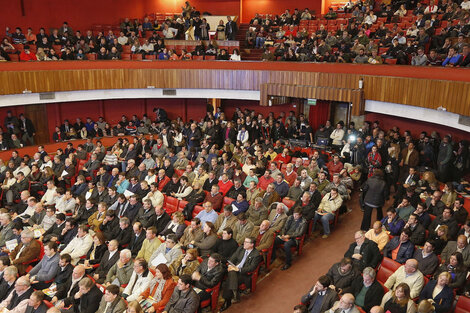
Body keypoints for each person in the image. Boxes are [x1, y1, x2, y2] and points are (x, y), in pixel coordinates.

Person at [220, 237, 261, 311]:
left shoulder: (256, 254)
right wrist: (230, 265)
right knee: (229, 272)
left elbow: (252, 268)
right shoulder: (241, 248)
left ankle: (228, 300)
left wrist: (238, 269)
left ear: (252, 244)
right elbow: (233, 258)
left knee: (229, 278)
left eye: (246, 242)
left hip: (244, 274)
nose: (244, 243)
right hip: (234, 269)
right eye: (244, 241)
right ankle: (233, 294)